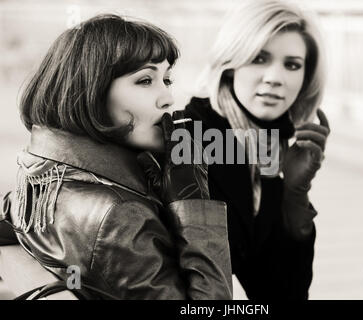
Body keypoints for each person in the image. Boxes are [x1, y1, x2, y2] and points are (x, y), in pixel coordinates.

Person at [0, 14, 232, 300]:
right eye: (145, 80)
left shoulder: (38, 168)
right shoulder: (120, 215)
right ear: (91, 91)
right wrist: (194, 204)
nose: (168, 98)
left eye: (167, 79)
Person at [183, 0, 330, 299]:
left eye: (292, 65)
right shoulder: (189, 140)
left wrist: (293, 197)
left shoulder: (267, 146)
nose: (275, 77)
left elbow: (279, 293)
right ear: (230, 65)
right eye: (259, 59)